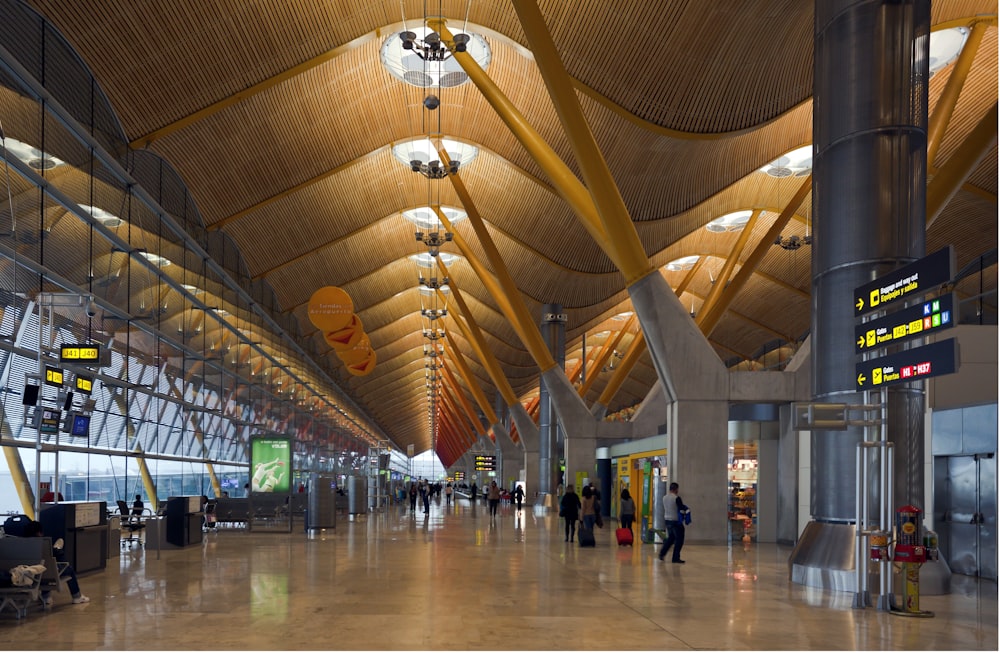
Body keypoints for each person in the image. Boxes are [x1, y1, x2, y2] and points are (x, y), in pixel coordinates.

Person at [24, 520, 89, 605]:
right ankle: (77, 596)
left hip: (30, 575)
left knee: (43, 568)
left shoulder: (23, 544)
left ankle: (46, 596)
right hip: (46, 572)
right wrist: (57, 551)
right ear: (40, 533)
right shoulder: (44, 544)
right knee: (67, 569)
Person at [658, 482, 689, 563]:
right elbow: (681, 509)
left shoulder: (664, 497)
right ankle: (675, 557)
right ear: (676, 489)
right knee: (679, 540)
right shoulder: (676, 498)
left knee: (671, 538)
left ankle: (662, 553)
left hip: (667, 520)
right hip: (675, 521)